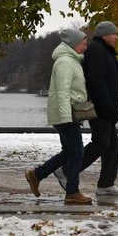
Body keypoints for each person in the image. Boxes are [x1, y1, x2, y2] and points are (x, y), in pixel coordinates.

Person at [25, 28, 93, 205]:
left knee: (71, 152)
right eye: (83, 44)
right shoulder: (65, 62)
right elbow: (62, 92)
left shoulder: (72, 61)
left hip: (70, 113)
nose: (85, 47)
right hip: (67, 114)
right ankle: (72, 192)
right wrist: (65, 118)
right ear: (73, 44)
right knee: (77, 153)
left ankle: (37, 174)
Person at [80, 20, 118, 196]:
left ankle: (106, 184)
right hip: (101, 110)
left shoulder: (104, 51)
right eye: (114, 34)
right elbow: (96, 82)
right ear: (105, 35)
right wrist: (107, 107)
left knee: (112, 146)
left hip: (108, 110)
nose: (117, 37)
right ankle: (68, 170)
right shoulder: (97, 50)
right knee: (100, 144)